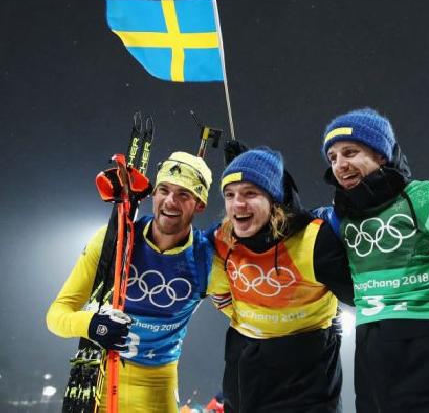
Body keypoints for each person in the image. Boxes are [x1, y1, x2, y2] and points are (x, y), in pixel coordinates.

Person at [319, 108, 429, 413]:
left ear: (381, 155)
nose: (340, 165)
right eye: (333, 158)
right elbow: (287, 224)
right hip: (372, 351)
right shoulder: (339, 217)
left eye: (350, 152)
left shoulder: (427, 198)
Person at [47, 151, 215, 412]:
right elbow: (56, 316)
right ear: (153, 194)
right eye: (164, 190)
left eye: (183, 194)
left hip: (159, 384)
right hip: (105, 377)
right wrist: (93, 325)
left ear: (200, 203)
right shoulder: (113, 240)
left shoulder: (208, 258)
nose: (170, 201)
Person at [207, 147, 353, 413]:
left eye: (250, 193)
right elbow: (218, 294)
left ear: (274, 199)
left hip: (307, 368)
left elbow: (361, 293)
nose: (237, 204)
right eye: (230, 195)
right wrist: (259, 318)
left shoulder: (313, 240)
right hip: (247, 362)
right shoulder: (221, 241)